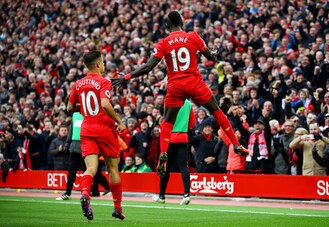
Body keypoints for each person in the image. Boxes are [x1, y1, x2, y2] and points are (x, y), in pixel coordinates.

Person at [112, 10, 248, 177]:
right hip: (194, 82)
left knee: (167, 123)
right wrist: (213, 52)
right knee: (217, 112)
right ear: (182, 23)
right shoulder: (193, 36)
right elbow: (211, 57)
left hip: (175, 85)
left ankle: (164, 153)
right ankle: (235, 143)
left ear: (168, 26)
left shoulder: (164, 42)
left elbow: (148, 66)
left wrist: (127, 76)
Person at [67, 50, 126, 221]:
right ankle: (117, 208)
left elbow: (70, 108)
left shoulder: (78, 84)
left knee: (90, 169)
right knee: (113, 168)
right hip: (105, 129)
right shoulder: (103, 81)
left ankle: (85, 193)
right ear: (99, 64)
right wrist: (119, 121)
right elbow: (105, 103)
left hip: (86, 130)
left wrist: (84, 109)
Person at [153, 100, 194, 205]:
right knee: (184, 166)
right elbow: (192, 123)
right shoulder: (189, 104)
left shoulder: (169, 101)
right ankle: (186, 194)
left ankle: (161, 195)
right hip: (183, 137)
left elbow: (165, 121)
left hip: (169, 138)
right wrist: (183, 126)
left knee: (166, 166)